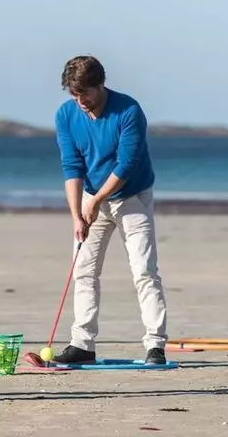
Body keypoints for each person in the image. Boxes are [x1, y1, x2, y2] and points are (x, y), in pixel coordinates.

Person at [53, 55, 168, 365]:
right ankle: (82, 344)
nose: (80, 101)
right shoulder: (66, 115)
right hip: (92, 198)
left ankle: (155, 344)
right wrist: (77, 213)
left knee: (144, 270)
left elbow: (126, 164)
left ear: (100, 85)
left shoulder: (128, 110)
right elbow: (71, 166)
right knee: (84, 271)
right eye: (74, 94)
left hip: (132, 197)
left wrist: (95, 201)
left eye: (85, 94)